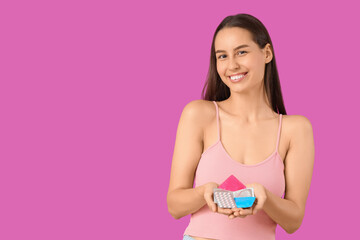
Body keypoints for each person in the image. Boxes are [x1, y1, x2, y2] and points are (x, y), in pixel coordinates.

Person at [167, 13, 314, 240]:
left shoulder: (295, 130)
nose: (232, 65)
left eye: (241, 52)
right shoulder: (199, 115)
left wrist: (266, 198)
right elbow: (174, 206)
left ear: (266, 53)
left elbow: (294, 221)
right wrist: (205, 193)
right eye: (222, 56)